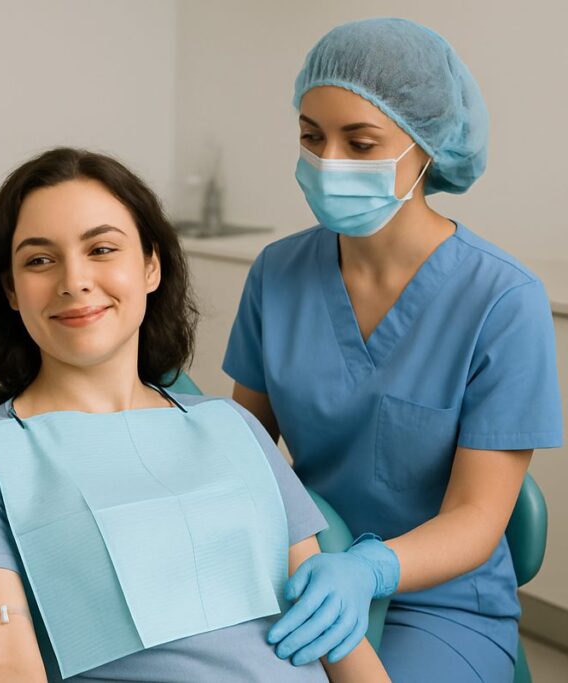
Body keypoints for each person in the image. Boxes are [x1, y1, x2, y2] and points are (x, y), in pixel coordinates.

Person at [0, 147, 389, 682]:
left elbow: (334, 636)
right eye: (39, 260)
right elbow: (0, 654)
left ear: (150, 267)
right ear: (12, 291)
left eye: (101, 249)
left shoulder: (232, 426)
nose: (74, 280)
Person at [223, 17, 562, 682]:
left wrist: (369, 568)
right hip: (300, 568)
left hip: (439, 603)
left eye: (361, 141)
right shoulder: (277, 272)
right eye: (312, 137)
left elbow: (477, 516)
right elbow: (246, 449)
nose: (328, 162)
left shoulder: (502, 300)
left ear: (426, 146)